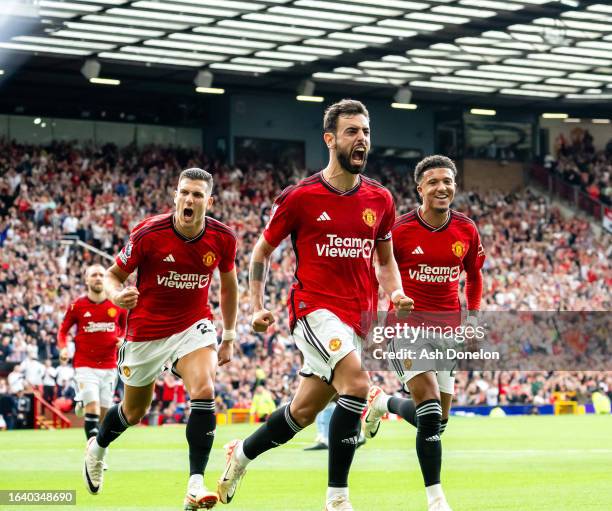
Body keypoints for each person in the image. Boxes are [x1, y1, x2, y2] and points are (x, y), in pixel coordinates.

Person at [217, 99, 413, 511]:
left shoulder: (380, 199)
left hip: (357, 319)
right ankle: (337, 499)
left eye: (366, 132)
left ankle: (242, 455)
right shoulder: (300, 197)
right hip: (314, 311)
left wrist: (394, 292)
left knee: (301, 413)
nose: (362, 140)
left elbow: (385, 260)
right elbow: (259, 253)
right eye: (352, 132)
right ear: (330, 139)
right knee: (358, 385)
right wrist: (255, 306)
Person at [82, 168, 239, 511]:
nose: (189, 199)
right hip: (147, 332)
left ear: (208, 202)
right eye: (184, 192)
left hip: (193, 325)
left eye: (198, 195)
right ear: (175, 196)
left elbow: (228, 286)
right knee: (135, 410)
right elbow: (112, 275)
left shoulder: (223, 238)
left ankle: (195, 484)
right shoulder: (149, 233)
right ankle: (97, 447)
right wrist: (115, 295)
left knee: (204, 390)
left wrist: (228, 335)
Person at [363, 155, 485, 511]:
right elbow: (379, 271)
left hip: (448, 330)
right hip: (406, 328)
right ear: (420, 189)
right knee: (429, 407)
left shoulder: (466, 229)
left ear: (454, 185)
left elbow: (474, 276)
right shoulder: (398, 230)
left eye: (447, 181)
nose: (441, 187)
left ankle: (382, 403)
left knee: (437, 421)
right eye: (433, 182)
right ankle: (436, 499)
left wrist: (474, 318)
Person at [57, 264, 127, 439]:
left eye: (101, 275)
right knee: (93, 408)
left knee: (104, 415)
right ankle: (91, 454)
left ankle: (98, 451)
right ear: (86, 280)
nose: (98, 278)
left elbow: (126, 328)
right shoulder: (77, 306)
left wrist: (122, 339)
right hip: (85, 365)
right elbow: (62, 331)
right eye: (93, 275)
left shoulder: (117, 305)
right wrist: (64, 348)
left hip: (110, 366)